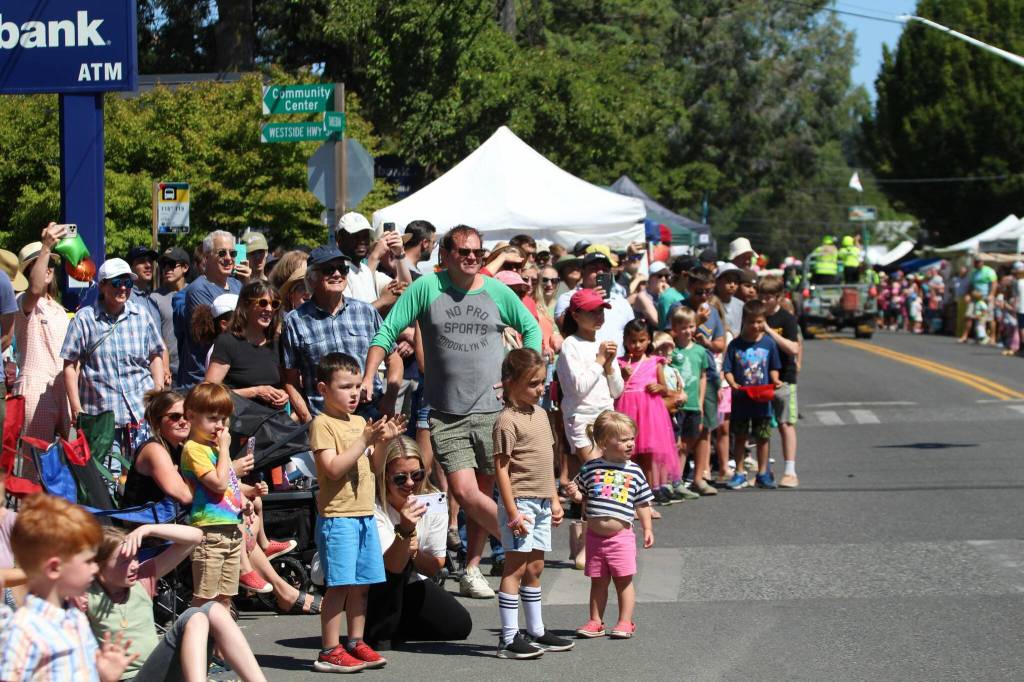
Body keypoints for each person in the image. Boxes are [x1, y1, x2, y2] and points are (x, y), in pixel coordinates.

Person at [364, 225, 541, 600]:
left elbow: (529, 328)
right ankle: (521, 540)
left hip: (494, 409)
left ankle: (474, 567)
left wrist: (520, 379)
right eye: (463, 251)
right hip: (446, 411)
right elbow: (387, 330)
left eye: (477, 251)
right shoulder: (426, 287)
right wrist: (369, 374)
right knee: (462, 489)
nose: (471, 258)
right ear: (445, 255)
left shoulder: (496, 291)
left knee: (485, 489)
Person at [310, 352, 406, 673]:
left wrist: (381, 442)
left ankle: (355, 640)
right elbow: (333, 469)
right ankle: (328, 648)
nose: (354, 393)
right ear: (323, 389)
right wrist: (365, 437)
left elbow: (376, 467)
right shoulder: (323, 424)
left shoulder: (358, 422)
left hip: (364, 514)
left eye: (356, 386)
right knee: (339, 585)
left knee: (361, 585)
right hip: (338, 517)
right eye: (345, 387)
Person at [83, 524, 266, 681]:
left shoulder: (142, 579)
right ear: (98, 567)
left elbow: (195, 537)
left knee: (213, 610)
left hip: (160, 671)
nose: (133, 565)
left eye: (134, 557)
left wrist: (148, 529)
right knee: (195, 616)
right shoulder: (85, 595)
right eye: (124, 561)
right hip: (125, 678)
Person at [0, 493, 135, 682]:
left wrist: (103, 676)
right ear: (55, 567)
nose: (96, 568)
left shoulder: (75, 618)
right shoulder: (25, 630)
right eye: (88, 561)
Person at [492, 349, 572, 659]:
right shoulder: (506, 421)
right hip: (521, 501)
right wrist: (511, 510)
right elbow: (501, 468)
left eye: (542, 383)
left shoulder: (540, 414)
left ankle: (535, 629)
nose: (540, 389)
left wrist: (554, 499)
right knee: (515, 567)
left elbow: (547, 460)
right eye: (533, 384)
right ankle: (508, 638)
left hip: (541, 500)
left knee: (536, 566)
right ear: (510, 383)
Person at [365, 436, 472, 649]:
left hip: (411, 577)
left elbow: (435, 566)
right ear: (385, 477)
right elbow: (390, 566)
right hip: (373, 581)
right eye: (400, 478)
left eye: (417, 475)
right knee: (399, 566)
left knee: (459, 625)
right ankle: (376, 631)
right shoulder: (372, 506)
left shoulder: (433, 501)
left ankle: (393, 625)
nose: (411, 483)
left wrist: (414, 553)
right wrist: (404, 530)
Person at [61, 258, 166, 468]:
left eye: (128, 282)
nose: (124, 288)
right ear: (102, 285)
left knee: (143, 475)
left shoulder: (141, 315)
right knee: (108, 478)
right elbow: (70, 365)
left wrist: (158, 389)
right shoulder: (85, 319)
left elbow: (156, 354)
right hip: (102, 416)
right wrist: (75, 406)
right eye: (117, 283)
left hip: (140, 413)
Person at [282, 246, 403, 422]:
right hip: (325, 420)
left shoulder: (366, 312)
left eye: (343, 268)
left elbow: (394, 358)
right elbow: (290, 379)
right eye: (329, 270)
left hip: (370, 414)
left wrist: (390, 398)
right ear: (312, 278)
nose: (338, 274)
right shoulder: (295, 320)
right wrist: (308, 419)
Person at [563, 411, 654, 640]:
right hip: (594, 537)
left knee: (623, 581)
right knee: (598, 581)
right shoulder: (592, 467)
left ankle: (625, 621)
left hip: (620, 537)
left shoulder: (634, 470)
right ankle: (595, 620)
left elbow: (642, 503)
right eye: (623, 439)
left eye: (631, 438)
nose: (629, 443)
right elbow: (581, 495)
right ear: (604, 442)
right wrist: (573, 493)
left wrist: (648, 528)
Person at [180, 382, 249, 609]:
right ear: (191, 416)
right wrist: (226, 450)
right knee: (205, 597)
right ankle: (193, 641)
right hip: (209, 531)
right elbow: (218, 484)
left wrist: (246, 497)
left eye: (223, 420)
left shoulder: (216, 449)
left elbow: (229, 484)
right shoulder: (194, 448)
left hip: (230, 528)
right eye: (212, 419)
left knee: (225, 598)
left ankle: (221, 645)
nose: (219, 427)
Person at [13, 228, 71, 454]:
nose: (47, 267)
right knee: (34, 463)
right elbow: (35, 289)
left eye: (50, 263)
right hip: (35, 388)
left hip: (62, 389)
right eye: (36, 264)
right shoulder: (23, 301)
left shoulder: (60, 310)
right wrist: (46, 247)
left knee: (68, 464)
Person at [616, 320, 677, 505]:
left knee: (649, 453)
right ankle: (628, 492)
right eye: (633, 341)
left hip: (649, 411)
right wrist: (623, 376)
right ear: (625, 341)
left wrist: (659, 387)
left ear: (649, 340)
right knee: (628, 453)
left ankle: (651, 491)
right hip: (627, 408)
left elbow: (667, 390)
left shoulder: (655, 362)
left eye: (642, 340)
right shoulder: (619, 363)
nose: (637, 345)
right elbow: (615, 388)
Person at [723, 300, 782, 490]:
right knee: (740, 436)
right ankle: (739, 472)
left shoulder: (768, 343)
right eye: (751, 322)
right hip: (742, 398)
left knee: (763, 437)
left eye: (759, 322)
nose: (755, 326)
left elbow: (773, 367)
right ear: (744, 322)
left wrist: (776, 380)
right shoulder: (735, 345)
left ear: (764, 321)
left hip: (762, 398)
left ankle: (763, 473)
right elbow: (728, 369)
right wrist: (732, 383)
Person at [205, 280, 288, 409]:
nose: (269, 309)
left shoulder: (276, 342)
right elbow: (208, 392)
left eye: (275, 304)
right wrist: (255, 392)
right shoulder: (228, 341)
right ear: (246, 305)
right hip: (241, 423)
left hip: (273, 421)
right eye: (263, 303)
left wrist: (282, 394)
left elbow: (282, 383)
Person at [177, 231, 245, 388]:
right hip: (203, 380)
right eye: (222, 253)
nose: (228, 258)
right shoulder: (198, 289)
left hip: (230, 377)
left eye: (232, 253)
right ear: (206, 258)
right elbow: (220, 332)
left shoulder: (237, 285)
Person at [759, 276, 801, 488]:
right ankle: (762, 470)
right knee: (761, 425)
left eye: (769, 298)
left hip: (785, 378)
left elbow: (793, 348)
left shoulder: (787, 319)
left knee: (785, 423)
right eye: (762, 297)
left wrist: (768, 331)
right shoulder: (755, 317)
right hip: (760, 379)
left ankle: (790, 470)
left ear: (778, 298)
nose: (765, 301)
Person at [669, 306, 711, 495]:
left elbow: (703, 377)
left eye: (691, 326)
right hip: (677, 405)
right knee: (675, 443)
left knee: (687, 444)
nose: (688, 331)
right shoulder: (672, 350)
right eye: (683, 327)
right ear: (675, 329)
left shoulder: (700, 351)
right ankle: (672, 481)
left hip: (694, 404)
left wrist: (701, 402)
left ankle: (679, 482)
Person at [554, 250, 634, 345]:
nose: (600, 272)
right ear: (582, 271)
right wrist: (589, 299)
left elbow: (632, 333)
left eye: (605, 269)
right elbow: (565, 328)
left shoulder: (621, 301)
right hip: (583, 357)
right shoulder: (567, 298)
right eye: (594, 268)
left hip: (616, 358)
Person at [336, 212, 408, 310]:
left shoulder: (365, 270)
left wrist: (400, 254)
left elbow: (406, 287)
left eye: (365, 236)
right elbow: (348, 314)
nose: (362, 241)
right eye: (355, 236)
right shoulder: (335, 271)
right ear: (339, 239)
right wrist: (383, 301)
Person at [152, 247, 190, 381]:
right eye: (163, 265)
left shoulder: (196, 293)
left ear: (185, 267)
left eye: (172, 264)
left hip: (193, 371)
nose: (167, 268)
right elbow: (154, 338)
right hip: (169, 374)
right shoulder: (154, 298)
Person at [656, 256, 697, 329]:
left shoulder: (688, 294)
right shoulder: (668, 297)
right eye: (694, 274)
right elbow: (667, 327)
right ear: (684, 274)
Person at [715, 263, 744, 334]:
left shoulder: (741, 305)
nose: (732, 285)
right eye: (728, 280)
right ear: (717, 281)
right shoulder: (710, 303)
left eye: (736, 282)